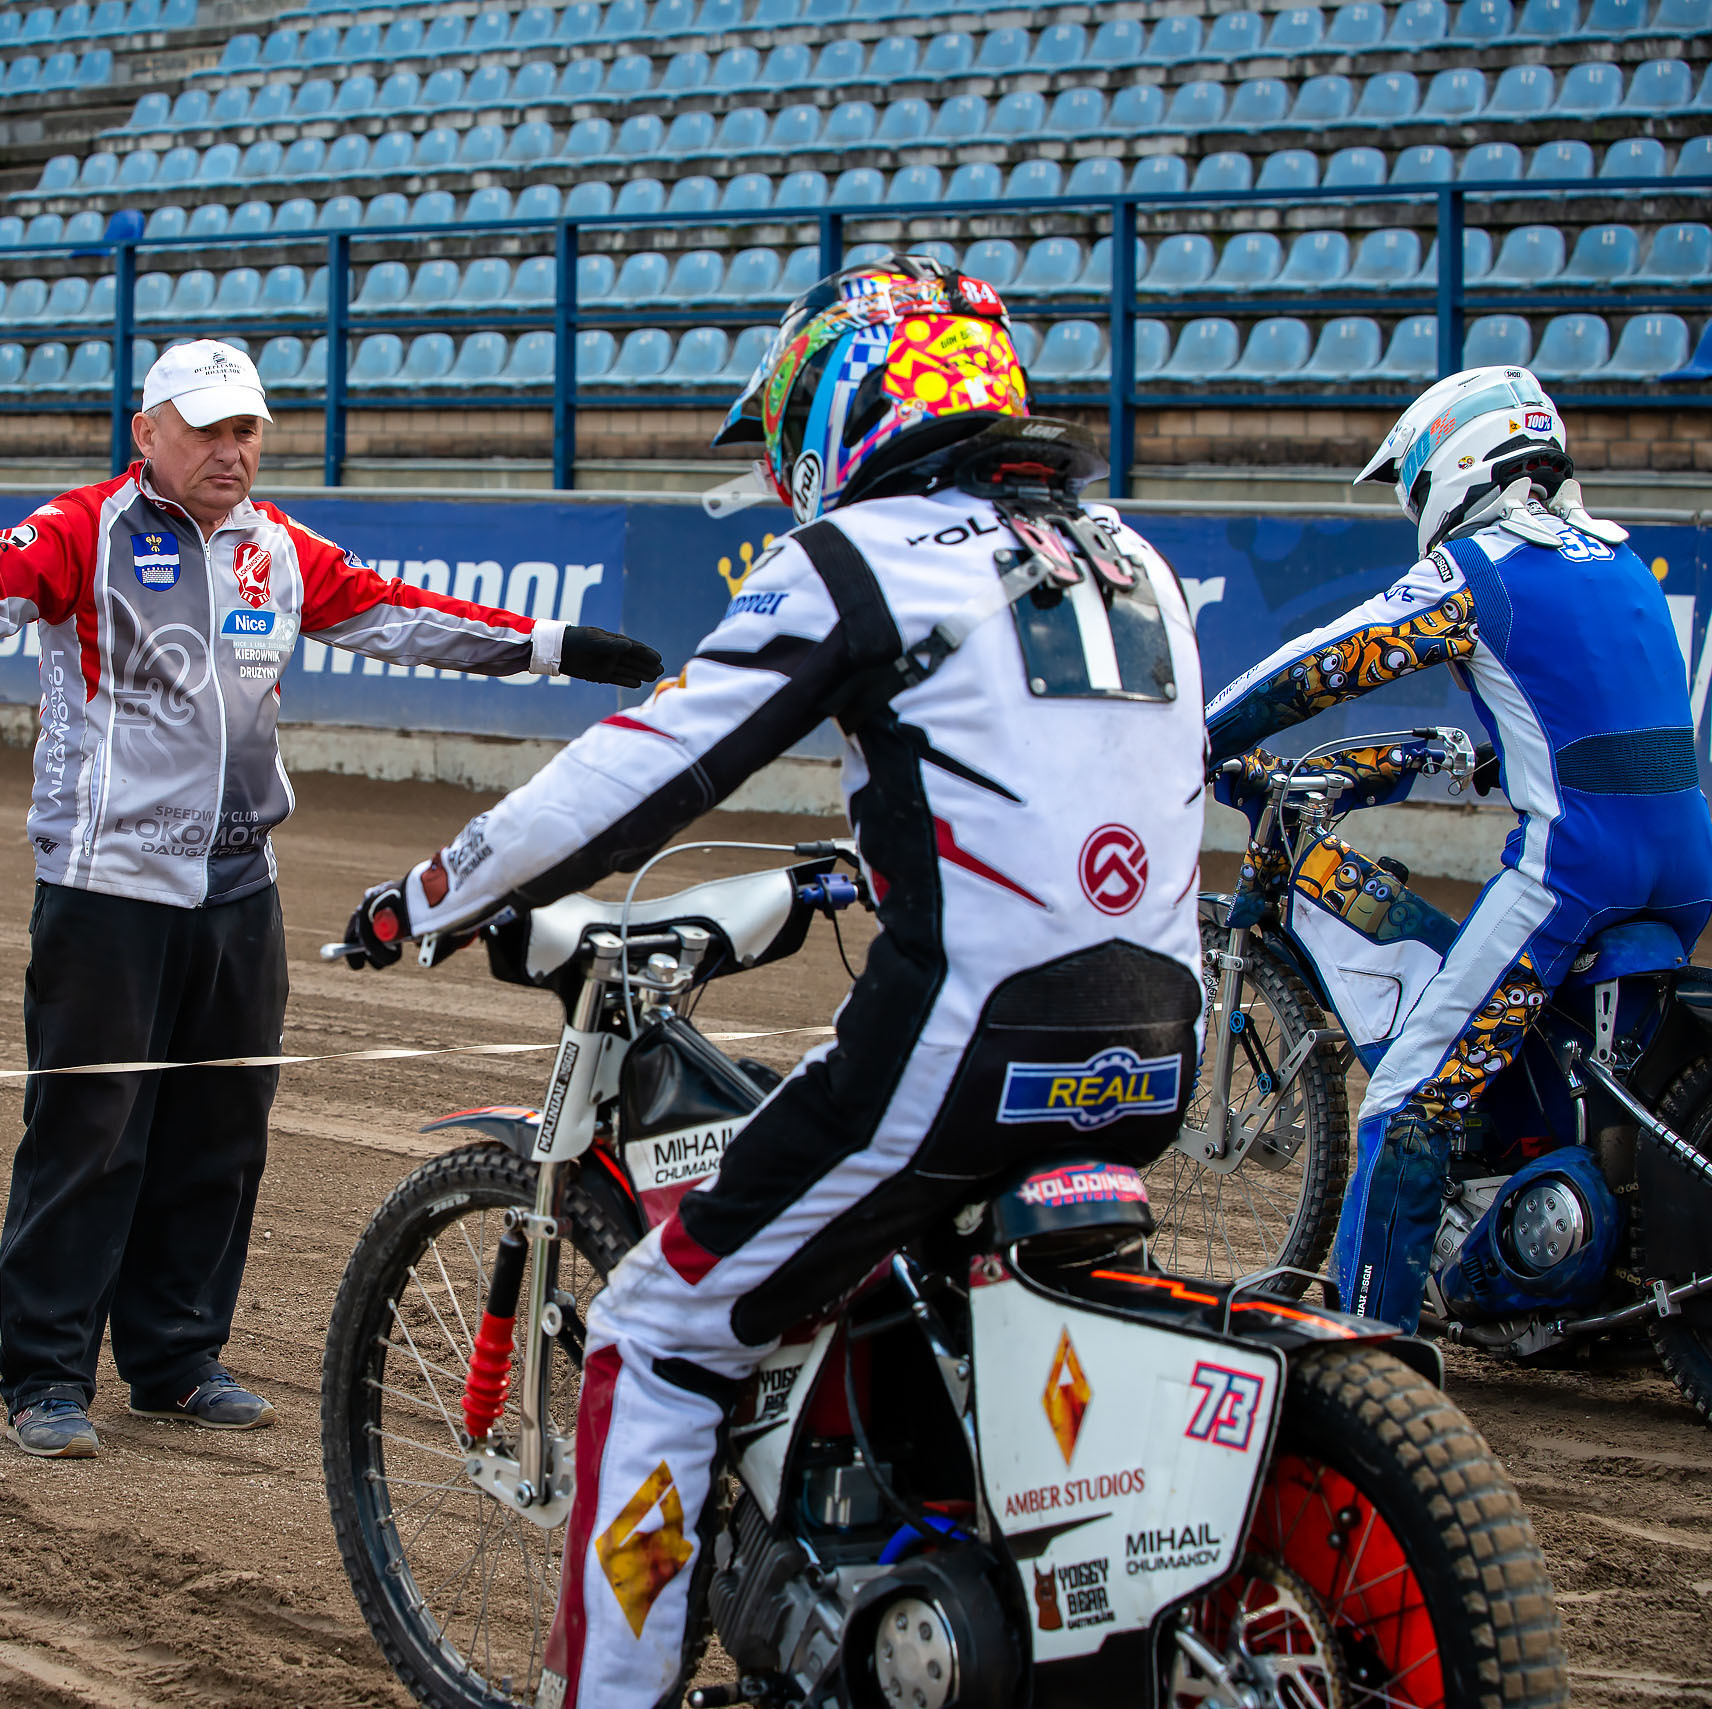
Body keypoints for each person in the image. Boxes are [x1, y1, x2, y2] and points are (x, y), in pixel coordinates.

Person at [342, 259, 1208, 1707]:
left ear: (846, 405)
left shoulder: (863, 557)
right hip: (1154, 1045)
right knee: (893, 1264)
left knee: (660, 1324)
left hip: (963, 1050)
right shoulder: (1130, 555)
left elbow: (642, 770)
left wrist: (434, 893)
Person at [0, 339, 664, 1460]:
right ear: (147, 432)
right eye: (207, 429)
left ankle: (177, 1356)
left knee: (221, 1132)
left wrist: (556, 646)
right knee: (88, 1134)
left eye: (246, 430)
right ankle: (46, 1373)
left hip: (240, 883)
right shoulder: (78, 530)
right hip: (106, 888)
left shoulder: (278, 547)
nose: (231, 450)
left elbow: (398, 613)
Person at [1205, 365, 1712, 1331]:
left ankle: (1366, 1349)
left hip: (1576, 872)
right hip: (1684, 867)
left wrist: (1195, 733)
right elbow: (1575, 719)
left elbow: (1322, 663)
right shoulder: (1619, 561)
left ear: (1458, 461)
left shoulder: (1478, 568)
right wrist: (1461, 762)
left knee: (1405, 1099)